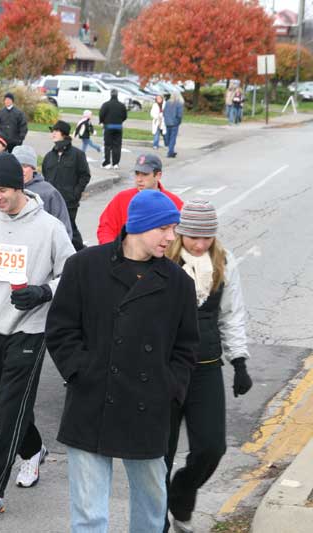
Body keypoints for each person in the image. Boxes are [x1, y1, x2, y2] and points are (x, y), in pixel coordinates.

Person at [45, 189, 199, 533]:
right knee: (89, 514)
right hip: (91, 402)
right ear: (140, 226)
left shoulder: (178, 284)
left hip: (148, 408)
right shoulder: (84, 266)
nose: (171, 237)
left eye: (174, 229)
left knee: (151, 508)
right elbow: (60, 330)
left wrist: (169, 388)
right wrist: (81, 371)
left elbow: (187, 347)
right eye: (165, 228)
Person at [0, 153, 74, 522]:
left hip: (31, 330)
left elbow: (72, 275)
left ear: (20, 187)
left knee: (9, 412)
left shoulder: (50, 228)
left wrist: (44, 292)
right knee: (10, 406)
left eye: (4, 190)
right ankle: (35, 448)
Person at [164, 200, 253, 533]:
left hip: (206, 367)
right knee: (160, 453)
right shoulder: (165, 261)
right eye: (193, 237)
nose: (199, 244)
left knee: (212, 447)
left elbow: (232, 315)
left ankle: (182, 494)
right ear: (181, 233)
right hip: (166, 370)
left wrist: (239, 361)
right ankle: (156, 519)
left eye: (206, 238)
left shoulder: (224, 262)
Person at [0, 144, 73, 239]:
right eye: (17, 166)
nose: (20, 170)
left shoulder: (49, 193)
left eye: (25, 166)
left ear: (33, 168)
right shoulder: (0, 192)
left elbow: (64, 230)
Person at [97, 153, 183, 244]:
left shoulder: (174, 203)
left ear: (158, 175)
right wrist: (113, 252)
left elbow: (181, 238)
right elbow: (106, 228)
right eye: (137, 174)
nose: (139, 179)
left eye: (145, 174)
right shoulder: (122, 198)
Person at [43, 120, 92, 251]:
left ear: (64, 134)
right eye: (52, 131)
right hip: (51, 201)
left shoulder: (77, 155)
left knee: (68, 228)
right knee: (54, 229)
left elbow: (85, 175)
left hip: (69, 201)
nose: (52, 133)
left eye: (55, 131)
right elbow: (45, 176)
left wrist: (75, 194)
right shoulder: (49, 156)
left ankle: (80, 252)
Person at [99, 88, 128, 169]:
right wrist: (119, 121)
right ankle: (116, 163)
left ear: (110, 95)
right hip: (118, 127)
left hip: (108, 127)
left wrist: (102, 121)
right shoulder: (122, 105)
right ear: (117, 95)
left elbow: (101, 114)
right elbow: (125, 116)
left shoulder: (106, 104)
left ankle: (107, 163)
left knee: (107, 145)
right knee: (117, 146)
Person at [164, 91, 185, 158]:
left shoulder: (167, 102)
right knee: (172, 138)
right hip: (174, 123)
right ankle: (170, 152)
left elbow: (164, 112)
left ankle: (170, 149)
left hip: (167, 122)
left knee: (168, 136)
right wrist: (178, 121)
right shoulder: (179, 104)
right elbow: (179, 115)